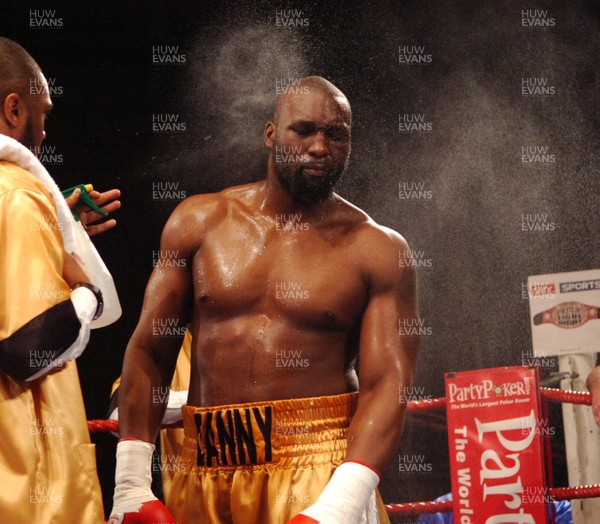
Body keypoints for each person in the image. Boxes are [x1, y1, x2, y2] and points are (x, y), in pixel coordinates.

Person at [110, 76, 420, 524]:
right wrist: (131, 485)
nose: (319, 147)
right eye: (305, 129)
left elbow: (388, 384)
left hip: (318, 472)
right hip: (204, 470)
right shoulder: (199, 222)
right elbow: (149, 351)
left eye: (336, 135)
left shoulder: (377, 249)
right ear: (271, 134)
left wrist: (341, 502)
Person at [0, 37, 120, 522]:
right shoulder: (17, 194)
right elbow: (26, 351)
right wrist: (84, 290)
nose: (45, 133)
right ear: (13, 109)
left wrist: (56, 234)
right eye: (42, 113)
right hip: (26, 492)